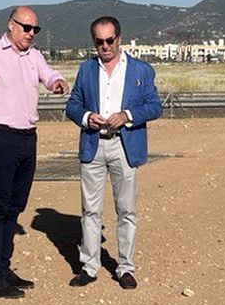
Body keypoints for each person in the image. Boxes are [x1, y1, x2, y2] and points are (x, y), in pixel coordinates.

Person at [0, 5, 68, 299]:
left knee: (15, 207)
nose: (31, 34)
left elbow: (48, 74)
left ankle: (3, 268)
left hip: (27, 139)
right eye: (27, 28)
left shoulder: (34, 56)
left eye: (35, 30)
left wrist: (57, 81)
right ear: (11, 25)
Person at [63, 17, 164, 290]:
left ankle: (125, 267)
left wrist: (127, 115)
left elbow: (155, 106)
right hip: (93, 145)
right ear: (93, 41)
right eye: (99, 41)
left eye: (110, 40)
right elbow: (72, 105)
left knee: (127, 210)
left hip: (125, 145)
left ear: (119, 39)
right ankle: (90, 266)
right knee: (90, 211)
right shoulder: (86, 70)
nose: (105, 46)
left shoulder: (141, 70)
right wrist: (85, 117)